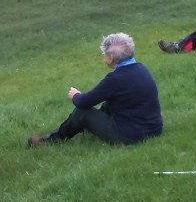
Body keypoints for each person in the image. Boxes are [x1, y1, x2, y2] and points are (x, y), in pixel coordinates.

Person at [28, 33, 163, 147]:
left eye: (104, 55)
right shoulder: (141, 68)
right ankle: (87, 127)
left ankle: (52, 140)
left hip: (129, 136)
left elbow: (84, 102)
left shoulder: (115, 79)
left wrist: (75, 95)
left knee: (82, 113)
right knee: (110, 103)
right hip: (154, 130)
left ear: (110, 59)